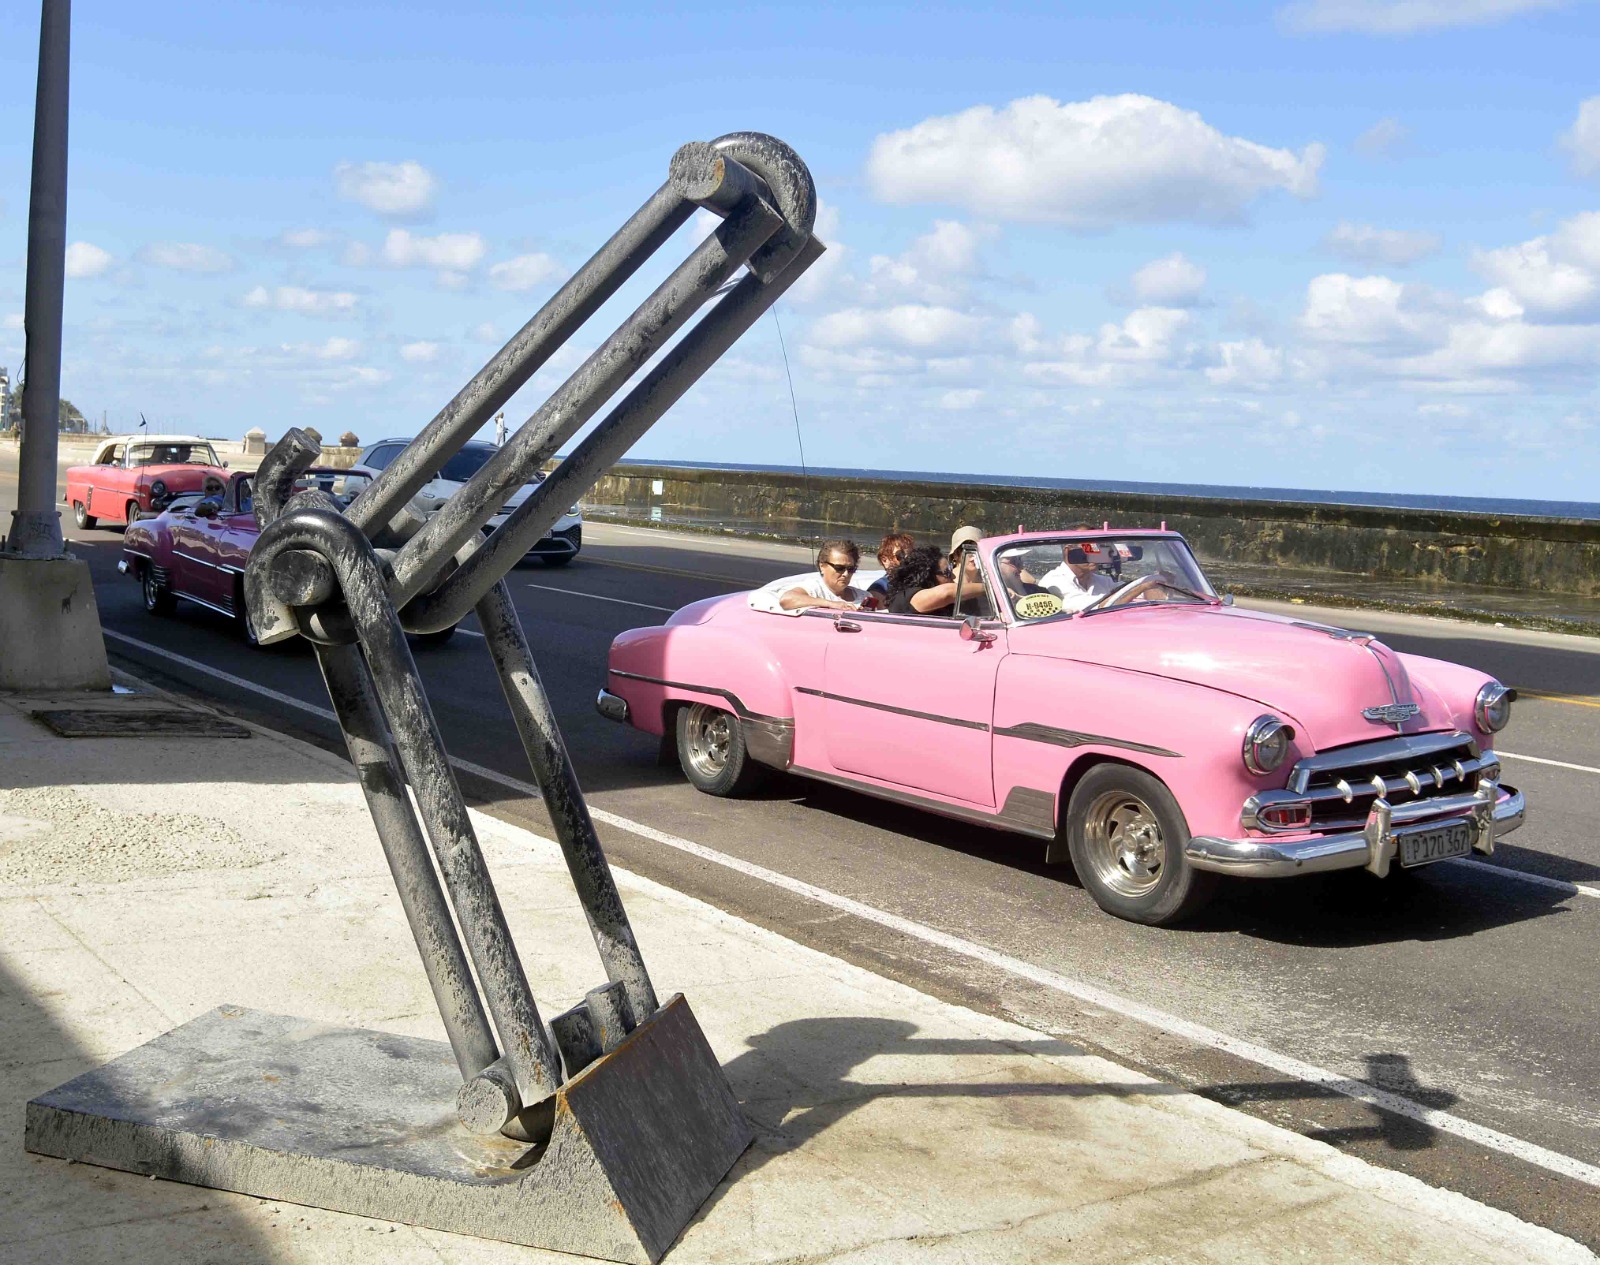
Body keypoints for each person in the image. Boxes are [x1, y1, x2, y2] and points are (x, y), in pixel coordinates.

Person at [749, 539, 866, 613]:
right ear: (822, 566)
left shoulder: (863, 596)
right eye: (839, 568)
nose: (845, 574)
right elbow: (787, 599)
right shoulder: (813, 588)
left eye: (851, 569)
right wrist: (832, 604)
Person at [1038, 539, 1119, 611]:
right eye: (1088, 548)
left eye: (1098, 548)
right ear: (1068, 551)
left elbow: (1126, 590)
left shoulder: (1104, 581)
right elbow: (1092, 607)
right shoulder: (1054, 581)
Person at [885, 544, 960, 615]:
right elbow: (947, 593)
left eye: (951, 569)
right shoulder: (904, 598)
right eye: (947, 572)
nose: (953, 576)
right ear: (928, 576)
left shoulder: (947, 604)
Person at [864, 532, 914, 606]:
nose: (907, 559)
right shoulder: (878, 589)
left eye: (911, 555)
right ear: (885, 560)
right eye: (900, 555)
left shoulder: (916, 583)